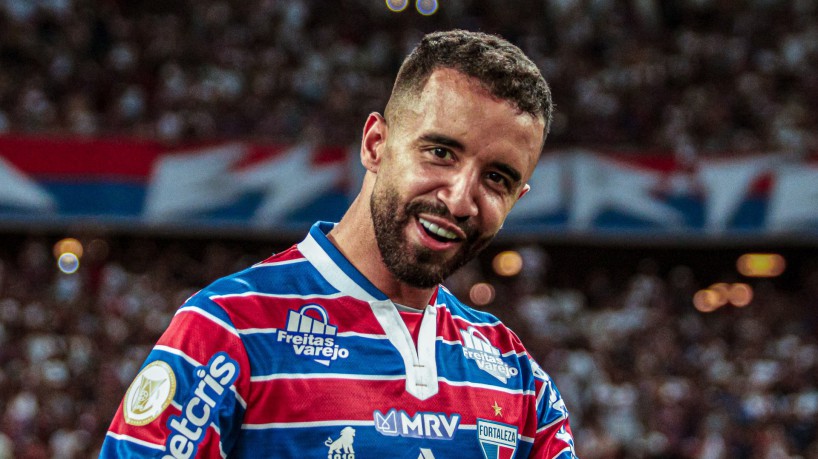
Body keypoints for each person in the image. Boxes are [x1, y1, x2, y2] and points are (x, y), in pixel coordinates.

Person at [100, 29, 577, 458]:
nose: (458, 200)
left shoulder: (518, 379)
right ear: (375, 144)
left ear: (518, 198)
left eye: (496, 179)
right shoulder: (228, 331)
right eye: (440, 152)